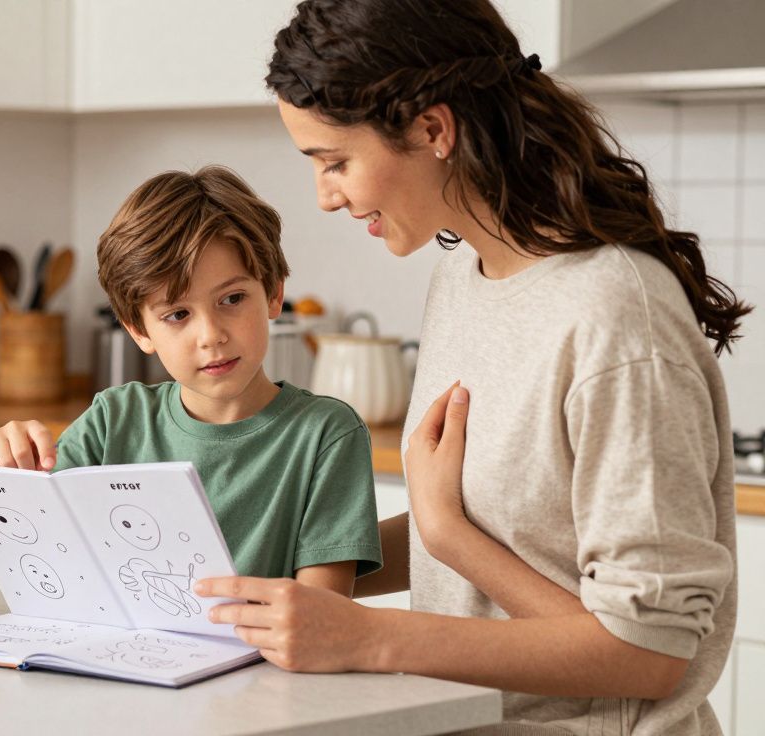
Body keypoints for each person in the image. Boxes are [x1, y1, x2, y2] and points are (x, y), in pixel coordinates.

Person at [195, 1, 750, 734]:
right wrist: (283, 569)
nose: (326, 196)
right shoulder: (465, 277)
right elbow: (484, 529)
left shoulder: (616, 315)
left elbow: (649, 652)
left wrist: (372, 633)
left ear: (433, 129)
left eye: (335, 162)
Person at [0, 165, 381, 595]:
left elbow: (321, 613)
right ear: (139, 331)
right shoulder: (114, 421)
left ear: (273, 294)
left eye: (232, 299)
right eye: (177, 315)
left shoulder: (326, 435)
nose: (211, 334)